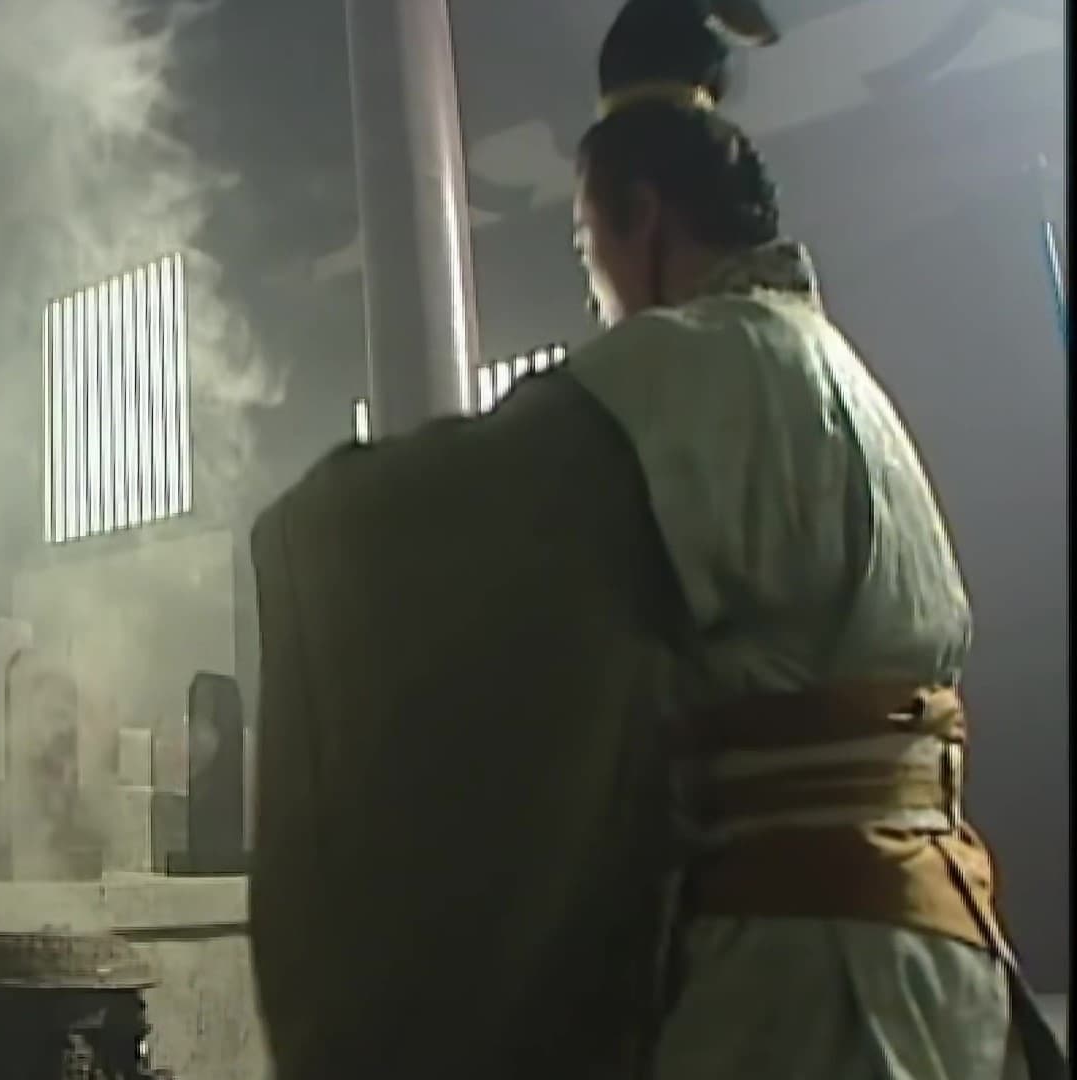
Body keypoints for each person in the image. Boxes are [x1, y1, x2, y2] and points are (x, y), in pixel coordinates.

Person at [247, 1, 1067, 1076]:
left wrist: (308, 526)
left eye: (585, 242)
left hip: (803, 978)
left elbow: (437, 519)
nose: (593, 286)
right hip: (942, 951)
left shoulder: (685, 368)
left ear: (642, 216)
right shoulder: (837, 371)